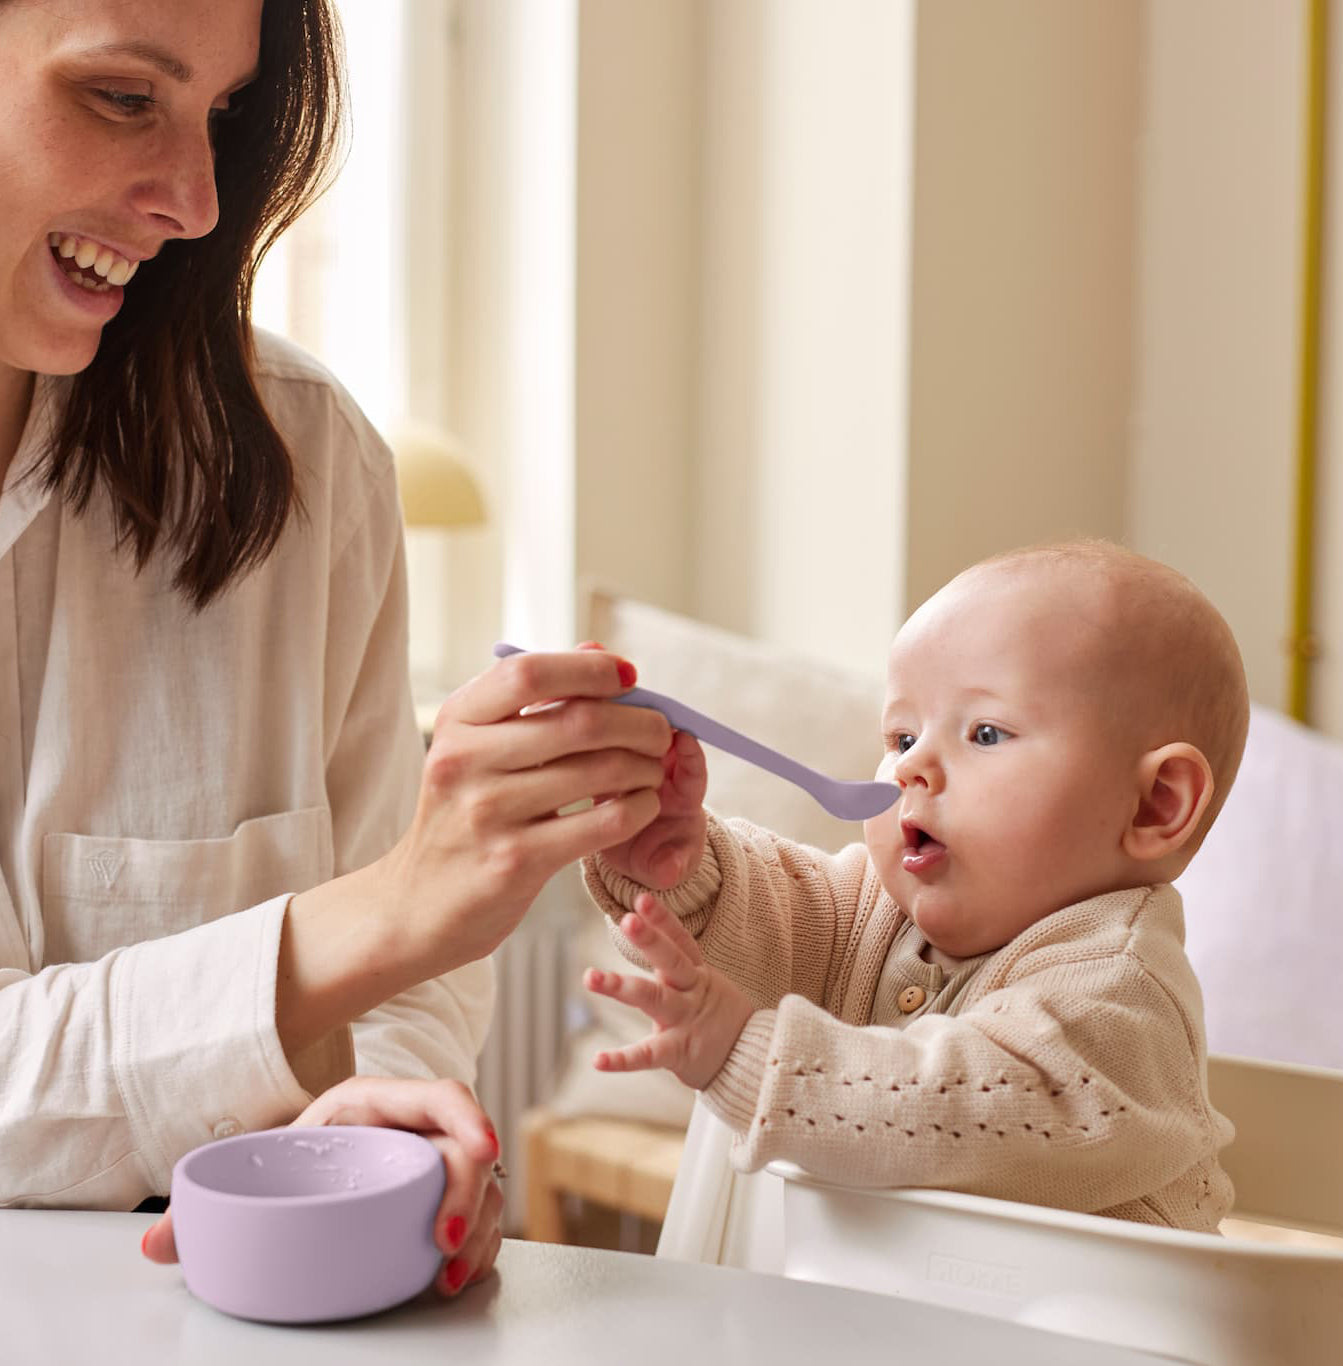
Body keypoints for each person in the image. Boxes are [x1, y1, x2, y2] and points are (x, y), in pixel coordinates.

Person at [0, 0, 672, 1298]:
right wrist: (374, 915)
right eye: (126, 99)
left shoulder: (305, 467)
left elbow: (407, 997)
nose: (196, 198)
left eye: (224, 115)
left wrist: (388, 1116)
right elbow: (386, 916)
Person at [581, 541, 1249, 1232]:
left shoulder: (1121, 991)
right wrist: (681, 864)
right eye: (901, 737)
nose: (909, 770)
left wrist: (748, 1053)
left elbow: (965, 1104)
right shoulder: (875, 906)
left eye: (985, 732)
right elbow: (785, 907)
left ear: (1155, 805)